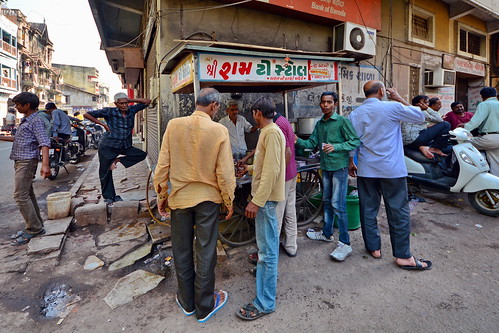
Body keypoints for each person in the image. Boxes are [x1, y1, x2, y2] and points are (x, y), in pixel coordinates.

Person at [154, 88, 235, 323]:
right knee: (206, 250)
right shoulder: (219, 130)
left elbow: (162, 165)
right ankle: (205, 306)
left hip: (179, 200)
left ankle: (187, 302)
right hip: (208, 201)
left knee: (180, 250)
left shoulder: (174, 125)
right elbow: (225, 172)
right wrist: (228, 200)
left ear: (197, 103)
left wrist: (161, 196)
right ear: (214, 106)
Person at [348, 80, 432, 270]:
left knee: (368, 208)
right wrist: (399, 97)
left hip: (367, 169)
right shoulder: (392, 107)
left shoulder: (355, 113)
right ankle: (403, 256)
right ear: (381, 92)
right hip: (391, 170)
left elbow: (353, 141)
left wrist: (351, 162)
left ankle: (374, 248)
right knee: (398, 210)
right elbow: (420, 116)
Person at [295, 91, 360, 262]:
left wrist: (336, 147)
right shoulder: (320, 124)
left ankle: (345, 243)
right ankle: (327, 234)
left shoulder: (342, 121)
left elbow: (355, 141)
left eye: (329, 102)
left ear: (335, 104)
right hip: (326, 167)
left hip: (339, 167)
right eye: (323, 102)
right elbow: (311, 144)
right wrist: (296, 139)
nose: (325, 105)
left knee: (338, 205)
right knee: (327, 201)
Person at [236, 97, 285, 320]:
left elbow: (272, 171)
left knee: (267, 253)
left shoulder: (272, 133)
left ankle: (265, 303)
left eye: (252, 113)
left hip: (265, 200)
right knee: (267, 248)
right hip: (264, 198)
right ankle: (266, 290)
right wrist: (249, 168)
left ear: (257, 113)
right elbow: (265, 166)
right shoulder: (268, 132)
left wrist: (257, 200)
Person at [0, 92, 51, 246]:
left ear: (27, 105)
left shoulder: (36, 121)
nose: (15, 107)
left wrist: (46, 165)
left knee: (20, 195)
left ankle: (34, 229)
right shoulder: (27, 120)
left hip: (27, 161)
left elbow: (44, 142)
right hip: (21, 160)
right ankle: (36, 224)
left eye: (18, 104)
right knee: (27, 193)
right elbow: (19, 139)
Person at [84, 93, 150, 204]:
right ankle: (109, 197)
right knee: (105, 172)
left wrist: (130, 99)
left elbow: (147, 101)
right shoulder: (109, 111)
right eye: (122, 103)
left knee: (141, 154)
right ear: (116, 104)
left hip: (125, 145)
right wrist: (102, 124)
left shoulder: (132, 109)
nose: (125, 105)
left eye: (126, 103)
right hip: (108, 145)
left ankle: (116, 160)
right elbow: (87, 115)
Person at [459, 87, 499, 177]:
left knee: (461, 144)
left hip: (489, 138)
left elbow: (476, 121)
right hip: (496, 140)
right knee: (496, 163)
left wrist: (464, 127)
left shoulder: (484, 104)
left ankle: (457, 171)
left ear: (482, 96)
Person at [401, 95, 451, 159]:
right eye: (426, 103)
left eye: (428, 103)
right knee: (446, 125)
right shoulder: (421, 112)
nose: (428, 104)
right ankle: (435, 148)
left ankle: (424, 147)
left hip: (408, 141)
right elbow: (440, 120)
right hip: (415, 139)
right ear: (418, 104)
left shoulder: (410, 110)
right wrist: (428, 108)